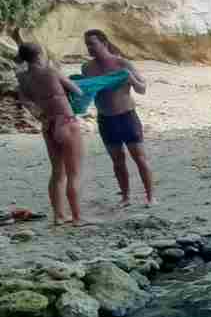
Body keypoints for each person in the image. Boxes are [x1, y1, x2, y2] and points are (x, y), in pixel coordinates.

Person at [15, 43, 85, 225]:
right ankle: (77, 218)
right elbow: (78, 91)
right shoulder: (51, 71)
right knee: (74, 173)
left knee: (57, 173)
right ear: (39, 55)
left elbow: (26, 102)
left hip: (48, 124)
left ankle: (59, 216)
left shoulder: (22, 78)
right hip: (66, 122)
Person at [82, 29, 154, 206]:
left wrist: (131, 79)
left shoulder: (122, 63)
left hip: (127, 116)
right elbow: (86, 92)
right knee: (117, 161)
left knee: (140, 158)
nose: (89, 48)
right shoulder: (87, 68)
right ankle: (125, 197)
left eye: (92, 44)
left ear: (104, 43)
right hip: (106, 119)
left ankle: (151, 197)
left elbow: (142, 89)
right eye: (87, 45)